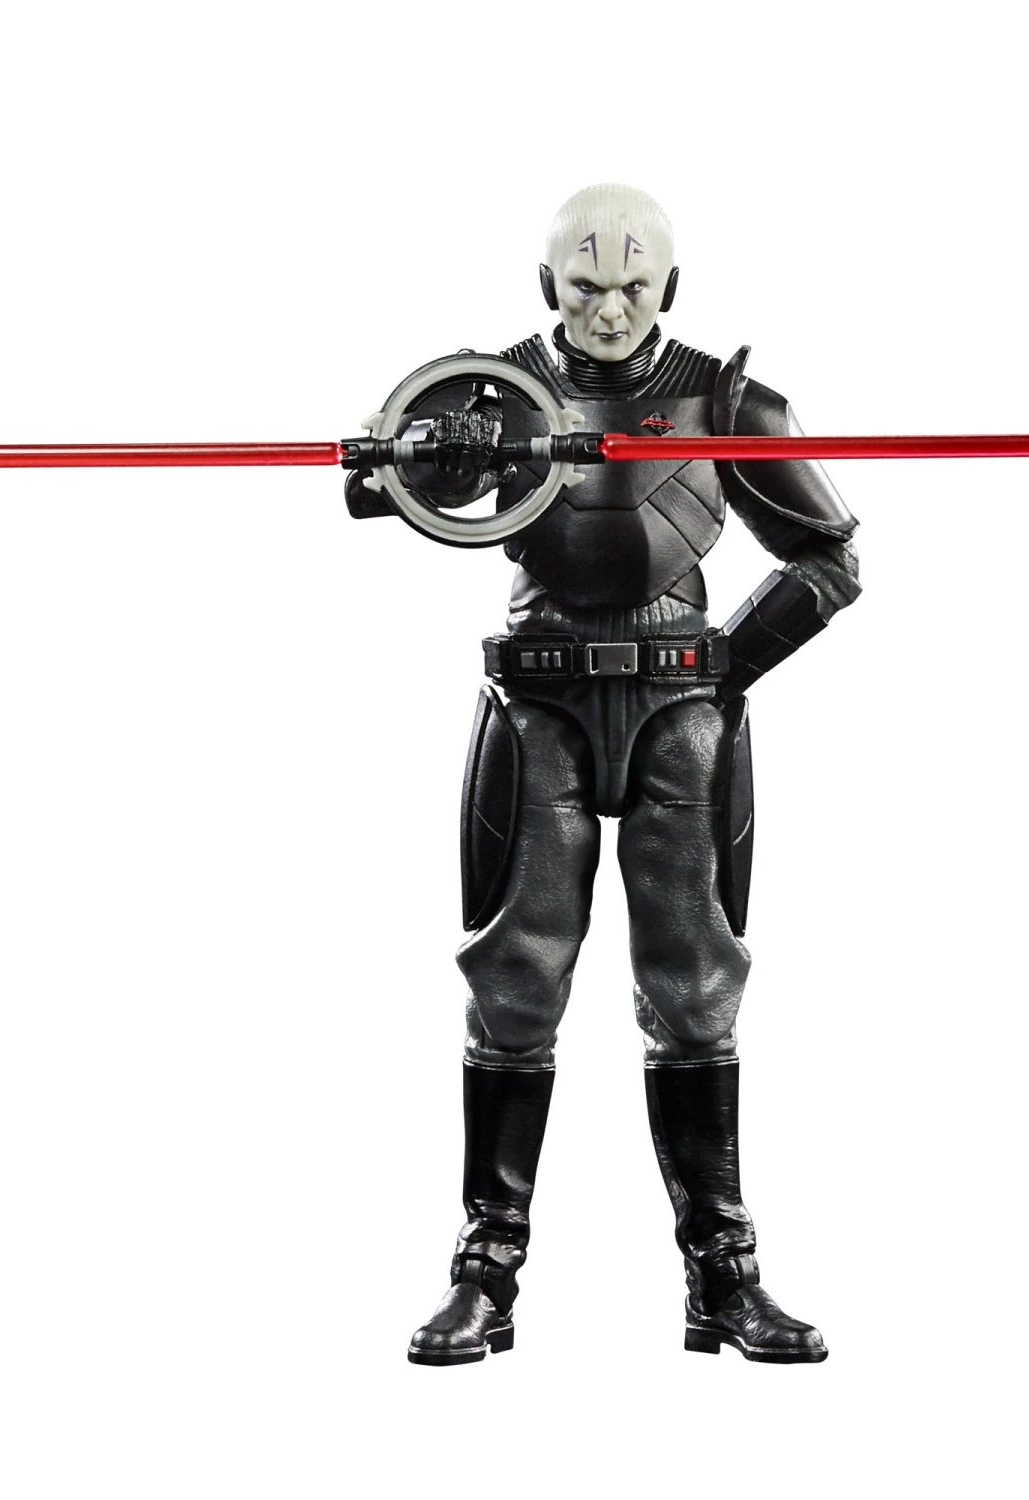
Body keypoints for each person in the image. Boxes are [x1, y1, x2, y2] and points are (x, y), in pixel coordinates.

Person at [352, 184, 861, 1366]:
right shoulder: (499, 399)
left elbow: (832, 559)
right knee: (513, 984)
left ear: (670, 287)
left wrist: (726, 664)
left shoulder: (727, 404)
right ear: (549, 287)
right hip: (541, 707)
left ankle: (722, 1275)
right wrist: (423, 451)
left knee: (697, 987)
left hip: (682, 710)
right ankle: (486, 1273)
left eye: (635, 286)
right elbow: (370, 490)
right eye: (586, 286)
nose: (612, 308)